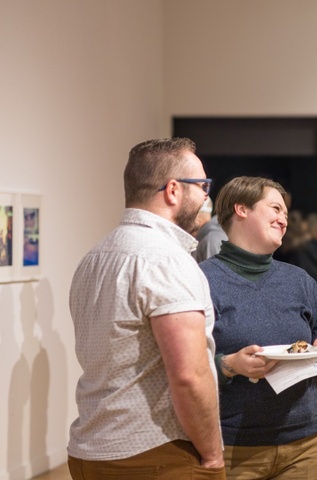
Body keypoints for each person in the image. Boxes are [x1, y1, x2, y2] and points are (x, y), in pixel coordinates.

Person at [67, 138, 225, 479]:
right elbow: (188, 375)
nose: (206, 198)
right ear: (173, 191)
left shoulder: (94, 257)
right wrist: (213, 455)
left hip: (90, 450)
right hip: (154, 454)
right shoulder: (166, 260)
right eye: (202, 186)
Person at [199, 176, 317, 480]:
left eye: (286, 215)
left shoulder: (300, 281)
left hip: (305, 444)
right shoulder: (201, 280)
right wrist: (229, 365)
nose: (283, 219)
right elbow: (183, 368)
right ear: (241, 209)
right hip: (234, 447)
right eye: (276, 209)